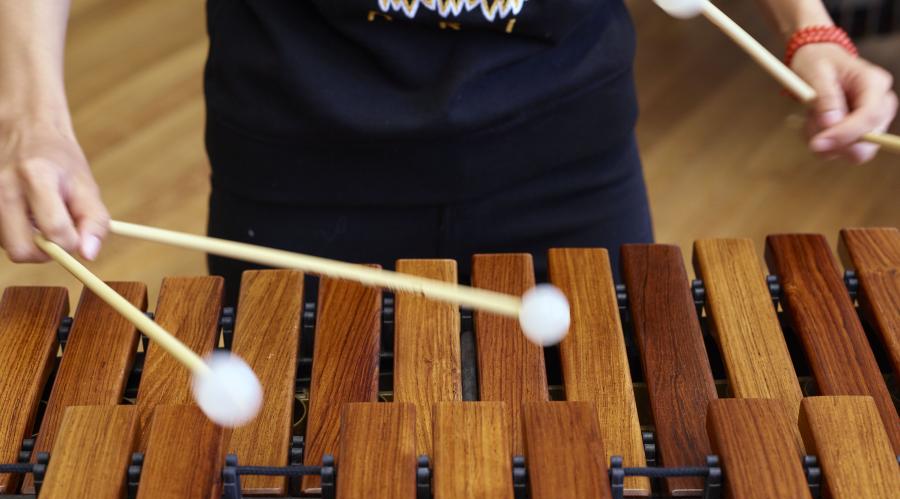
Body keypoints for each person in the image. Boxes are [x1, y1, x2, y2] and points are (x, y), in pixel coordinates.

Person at [1, 1, 896, 303]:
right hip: (300, 172)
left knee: (603, 481)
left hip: (570, 161)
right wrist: (32, 114)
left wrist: (812, 25)